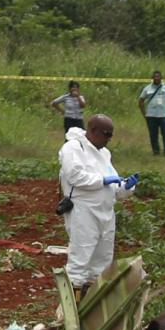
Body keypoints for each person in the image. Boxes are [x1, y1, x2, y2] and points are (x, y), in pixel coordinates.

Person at [58, 114, 139, 299]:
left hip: (106, 213)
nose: (109, 139)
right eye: (106, 134)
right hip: (84, 211)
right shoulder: (73, 148)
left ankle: (93, 307)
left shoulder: (104, 154)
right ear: (92, 130)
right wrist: (102, 180)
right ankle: (72, 309)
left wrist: (126, 186)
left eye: (111, 135)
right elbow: (75, 176)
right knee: (80, 259)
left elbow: (114, 186)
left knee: (102, 263)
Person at [138, 70, 165, 155]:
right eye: (155, 77)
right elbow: (141, 102)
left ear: (161, 78)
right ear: (152, 78)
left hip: (164, 115)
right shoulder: (147, 88)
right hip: (151, 115)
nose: (156, 78)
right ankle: (156, 151)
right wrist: (144, 114)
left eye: (158, 77)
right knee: (153, 135)